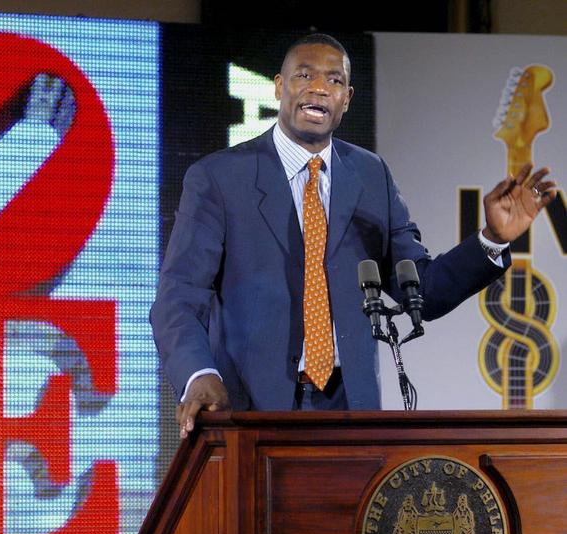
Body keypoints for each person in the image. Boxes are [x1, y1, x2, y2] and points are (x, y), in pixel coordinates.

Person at [149, 33, 558, 438]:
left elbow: (423, 289)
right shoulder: (220, 177)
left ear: (346, 98)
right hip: (250, 407)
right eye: (304, 75)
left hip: (350, 409)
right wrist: (198, 375)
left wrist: (491, 238)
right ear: (278, 86)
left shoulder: (370, 175)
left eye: (334, 80)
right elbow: (179, 298)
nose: (319, 89)